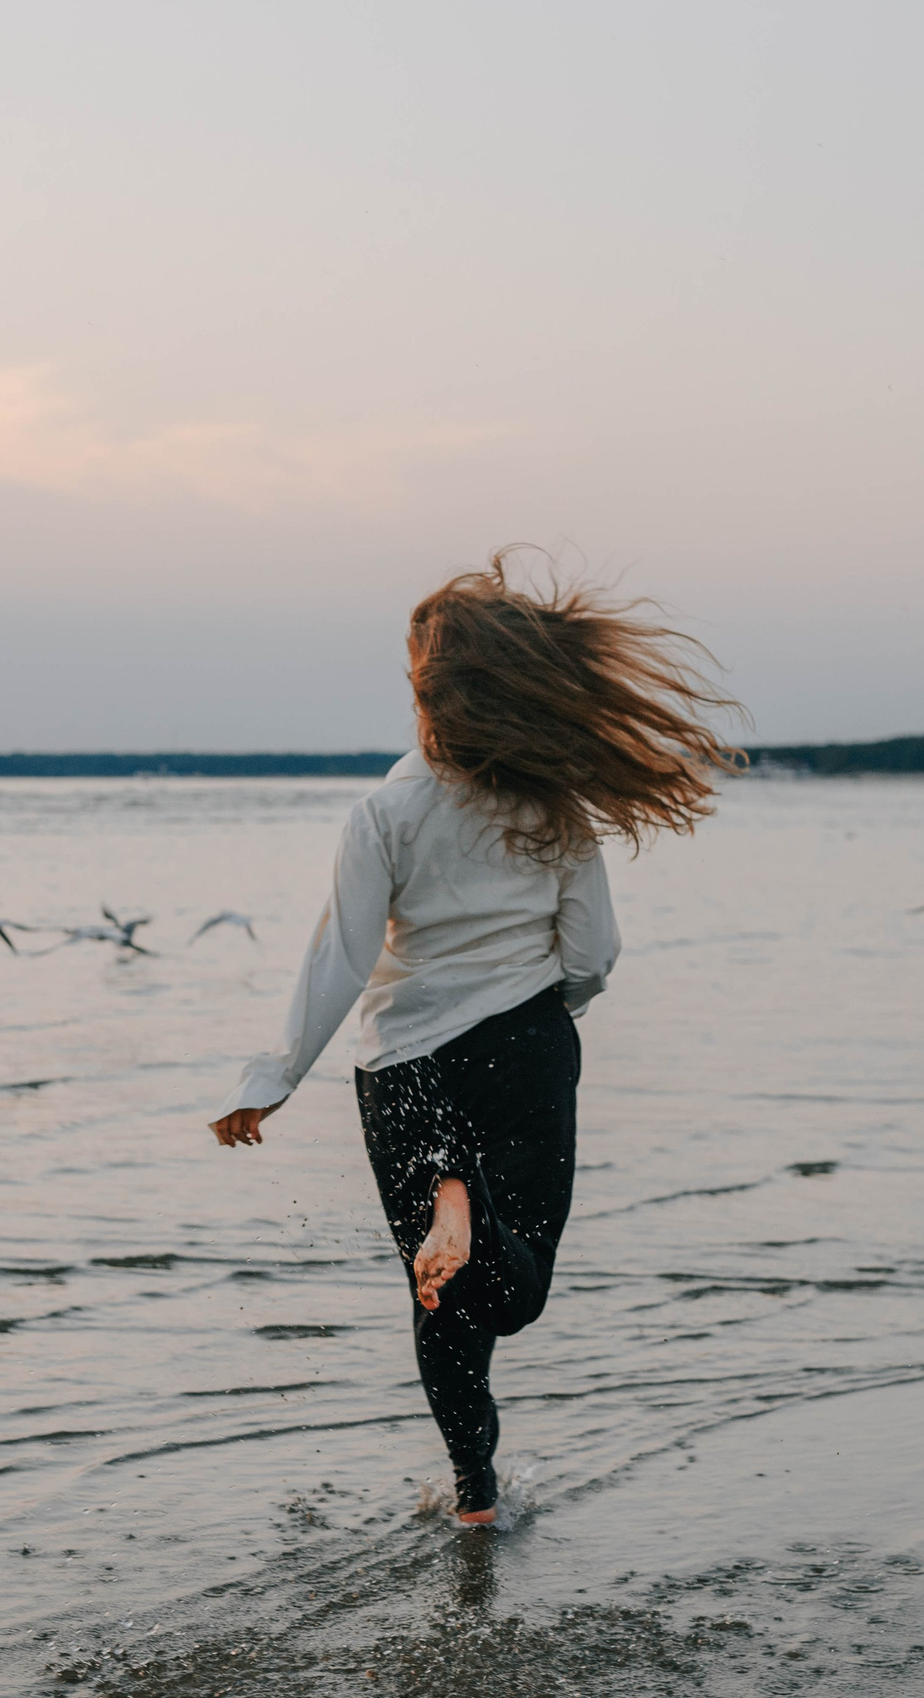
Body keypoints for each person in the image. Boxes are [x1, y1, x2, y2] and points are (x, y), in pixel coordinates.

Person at [207, 552, 741, 1527]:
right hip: (526, 1049)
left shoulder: (383, 814)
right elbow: (595, 952)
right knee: (513, 1290)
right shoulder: (554, 807)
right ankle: (477, 1210)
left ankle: (473, 1500)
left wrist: (271, 1078)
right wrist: (545, 1011)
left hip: (405, 1073)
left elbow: (340, 955)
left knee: (442, 1310)